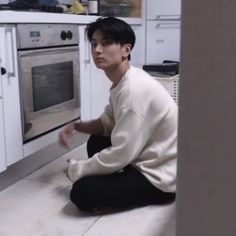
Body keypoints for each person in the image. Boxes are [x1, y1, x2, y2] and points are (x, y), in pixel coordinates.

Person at [59, 16, 178, 211]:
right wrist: (76, 126)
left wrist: (77, 169)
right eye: (94, 43)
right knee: (96, 140)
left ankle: (135, 190)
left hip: (160, 177)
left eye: (106, 44)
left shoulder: (133, 90)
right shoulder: (124, 80)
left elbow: (122, 152)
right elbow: (107, 123)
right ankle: (116, 184)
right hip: (147, 156)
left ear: (126, 50)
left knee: (81, 192)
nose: (97, 50)